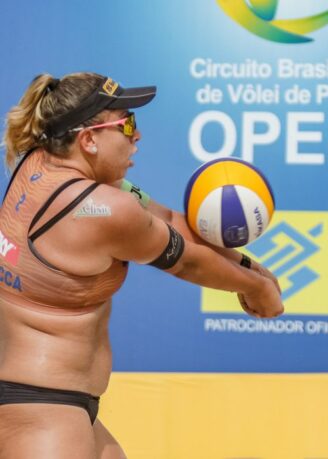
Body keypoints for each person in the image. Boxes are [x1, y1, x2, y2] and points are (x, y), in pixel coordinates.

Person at [0, 72, 284, 458]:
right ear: (88, 140)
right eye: (127, 123)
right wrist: (258, 289)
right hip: (39, 407)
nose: (138, 136)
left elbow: (168, 218)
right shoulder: (101, 209)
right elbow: (188, 262)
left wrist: (251, 267)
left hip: (56, 401)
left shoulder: (48, 164)